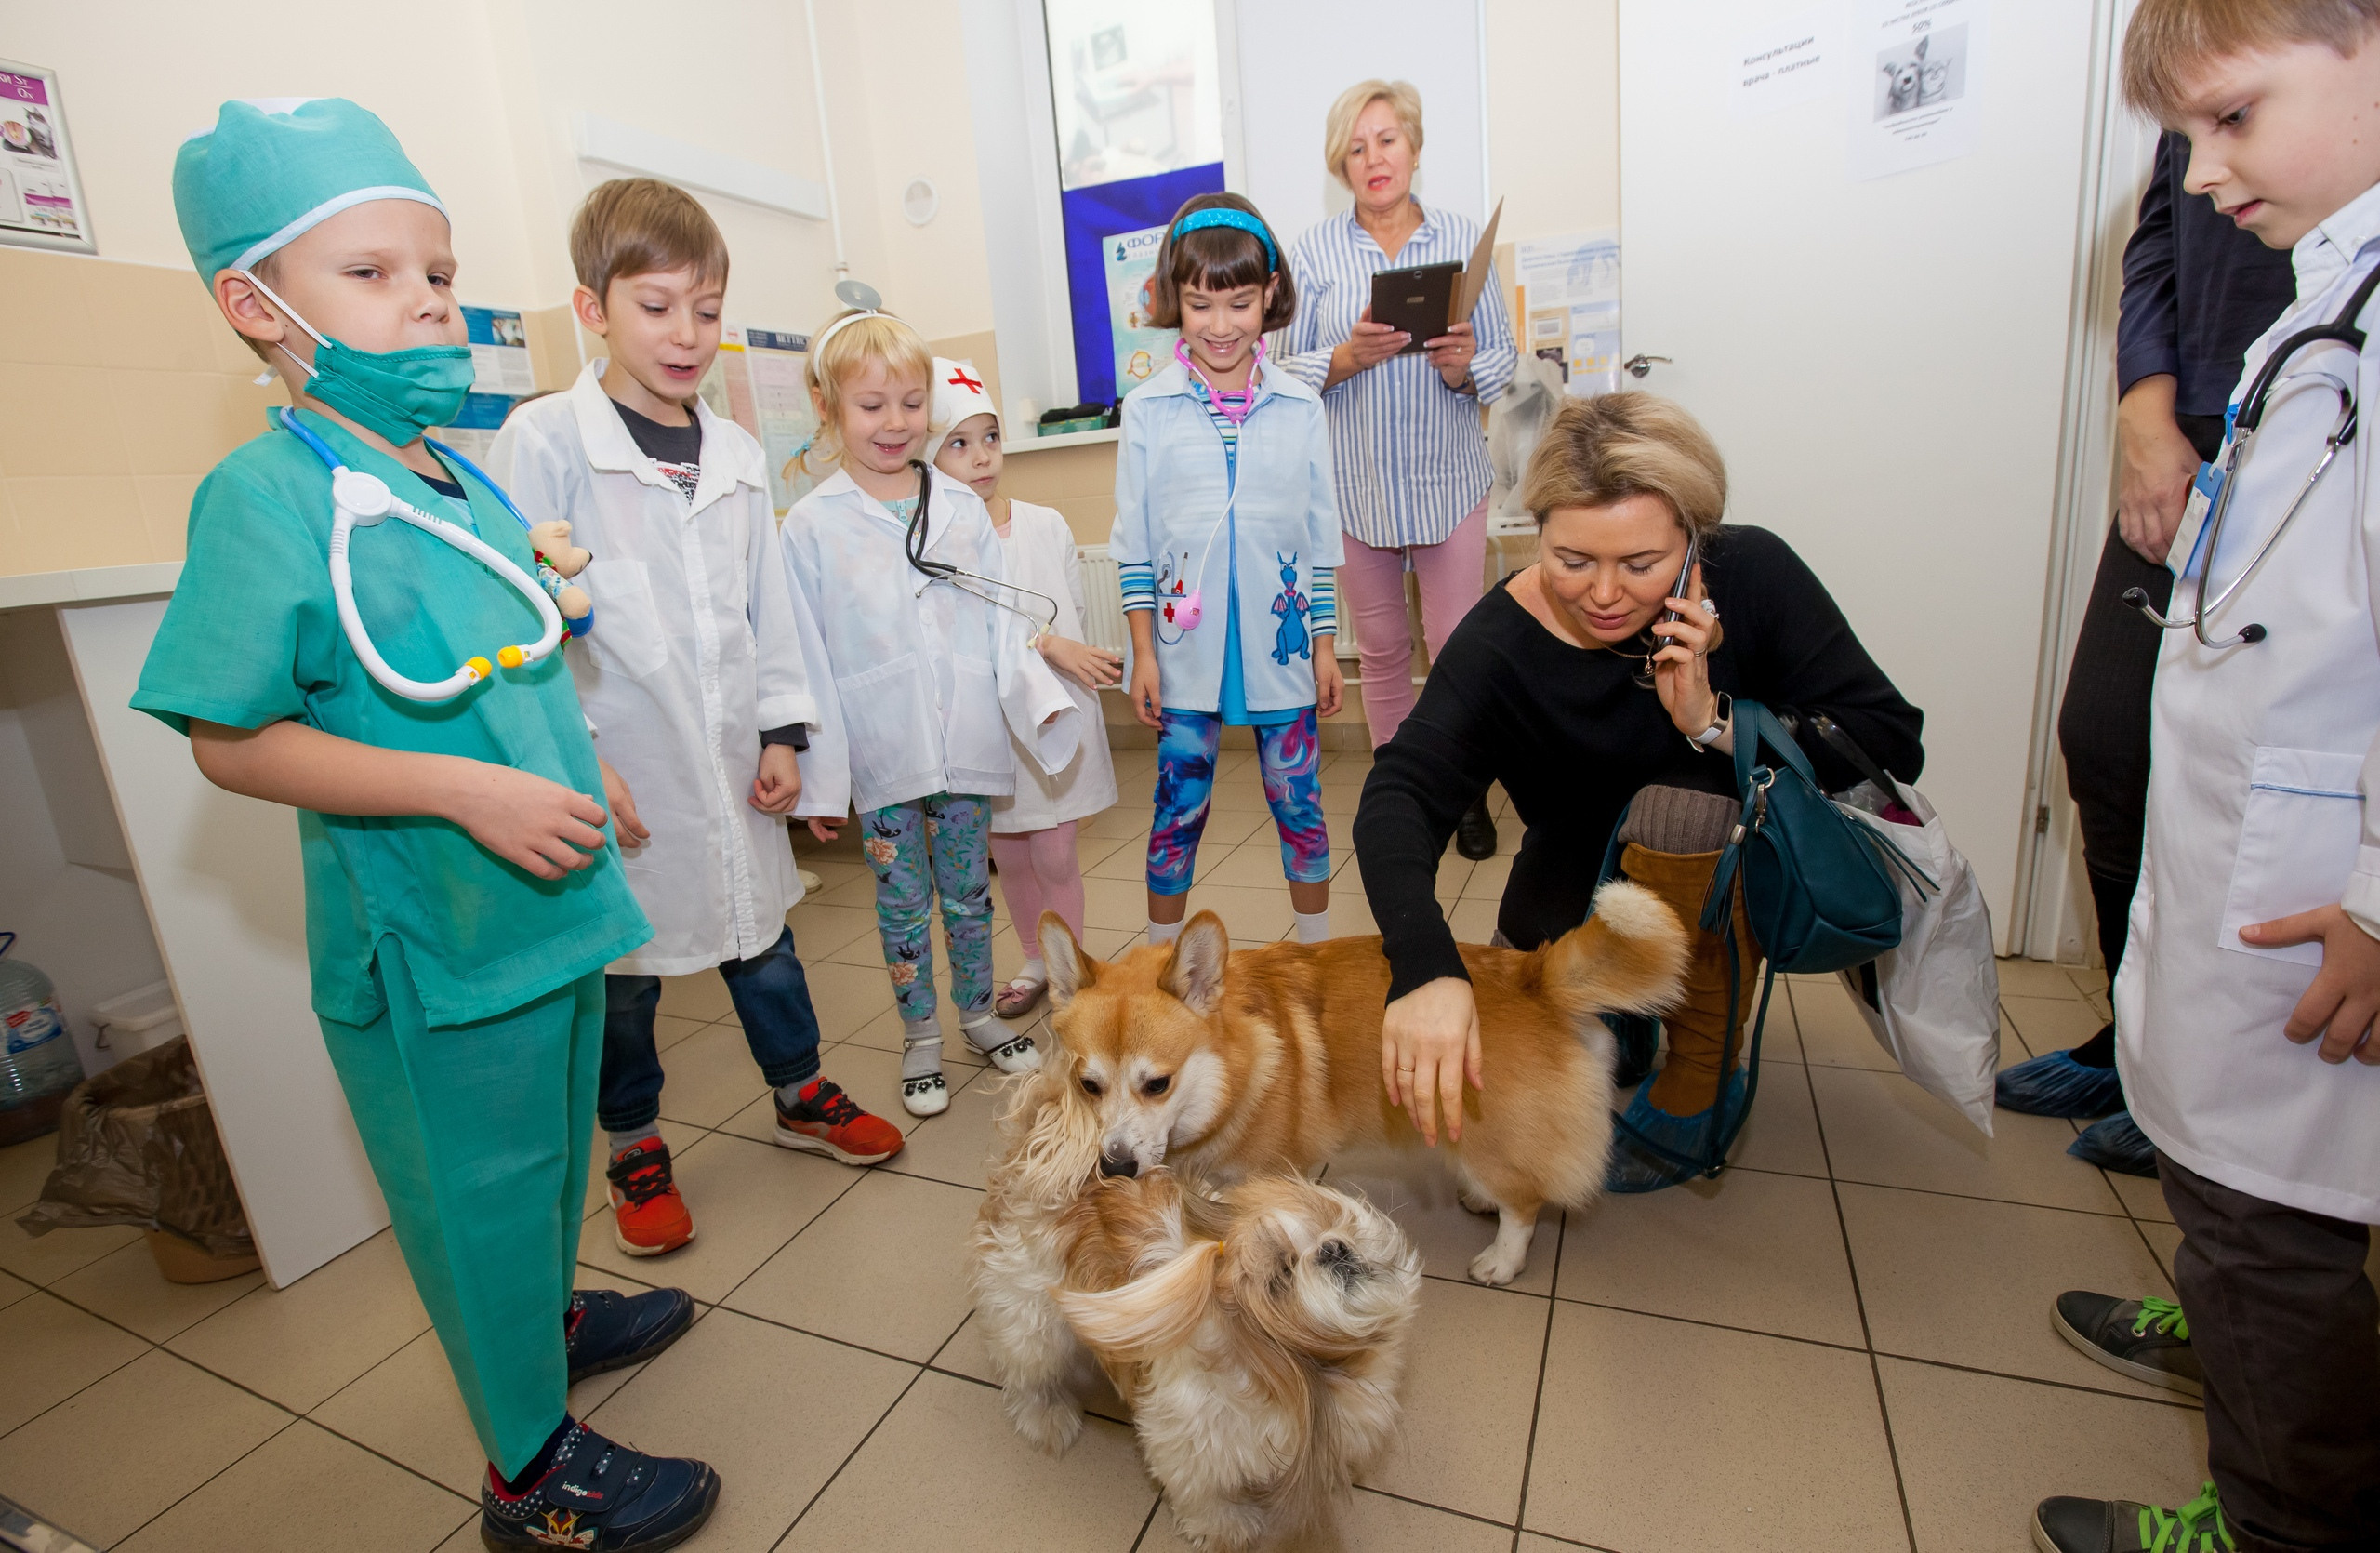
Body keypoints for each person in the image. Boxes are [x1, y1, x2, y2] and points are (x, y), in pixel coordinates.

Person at [140, 100, 716, 1550]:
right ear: (252, 303)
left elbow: (509, 662)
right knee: (475, 1180)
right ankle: (530, 1476)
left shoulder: (444, 474)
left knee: (540, 1154)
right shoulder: (263, 498)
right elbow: (231, 740)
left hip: (547, 899)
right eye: (372, 273)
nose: (427, 303)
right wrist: (469, 790)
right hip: (439, 932)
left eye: (440, 274)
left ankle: (541, 1311)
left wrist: (583, 760)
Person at [2030, 4, 2380, 1549]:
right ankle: (2225, 1341)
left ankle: (2270, 1523)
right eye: (2187, 138)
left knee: (2273, 1233)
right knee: (2235, 1208)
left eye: (2234, 121)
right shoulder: (2321, 300)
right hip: (2256, 840)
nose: (2202, 172)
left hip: (2322, 906)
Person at [1351, 393, 1922, 1189]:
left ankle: (1704, 1066)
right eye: (1573, 561)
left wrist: (1714, 718)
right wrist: (1424, 965)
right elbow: (1401, 794)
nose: (1606, 594)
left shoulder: (1754, 573)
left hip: (1743, 860)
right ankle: (1637, 1005)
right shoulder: (1499, 639)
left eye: (1642, 565)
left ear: (1694, 542)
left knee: (1682, 808)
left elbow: (1892, 739)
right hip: (1586, 853)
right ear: (1537, 534)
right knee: (1532, 943)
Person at [488, 179, 905, 1262]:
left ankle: (799, 1090)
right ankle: (634, 1144)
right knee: (622, 976)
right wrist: (576, 755)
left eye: (707, 309)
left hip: (728, 760)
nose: (687, 334)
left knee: (762, 939)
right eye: (656, 306)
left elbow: (765, 606)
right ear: (594, 310)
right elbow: (521, 619)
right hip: (614, 766)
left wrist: (781, 733)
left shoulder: (731, 452)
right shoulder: (544, 442)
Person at [2001, 129, 2295, 1177]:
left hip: (2311, 416)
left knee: (2262, 774)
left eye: (2232, 123)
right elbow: (2156, 241)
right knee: (2105, 736)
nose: (2210, 155)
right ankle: (2135, 1038)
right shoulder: (2196, 111)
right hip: (2192, 431)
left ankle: (2201, 1070)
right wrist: (2143, 406)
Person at [781, 307, 1079, 1117]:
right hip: (881, 752)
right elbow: (803, 653)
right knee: (901, 903)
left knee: (969, 896)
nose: (895, 422)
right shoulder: (810, 527)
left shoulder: (957, 507)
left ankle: (978, 1015)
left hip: (965, 744)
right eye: (872, 405)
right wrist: (818, 774)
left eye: (912, 403)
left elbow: (1002, 627)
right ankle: (920, 1036)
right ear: (828, 406)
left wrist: (1035, 708)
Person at [1279, 78, 1518, 862]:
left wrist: (1461, 367)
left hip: (1448, 480)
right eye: (1356, 147)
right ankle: (1402, 795)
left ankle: (1468, 789)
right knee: (1382, 651)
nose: (1374, 158)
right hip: (1357, 491)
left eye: (1387, 139)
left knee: (1455, 645)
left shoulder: (1459, 239)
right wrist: (1346, 356)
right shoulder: (1313, 253)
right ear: (1340, 164)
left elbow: (1503, 359)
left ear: (1413, 145)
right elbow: (1280, 369)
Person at [1112, 192, 1346, 949]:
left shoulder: (1300, 406)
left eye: (1239, 303)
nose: (1220, 326)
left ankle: (1314, 953)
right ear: (1174, 301)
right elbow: (1136, 545)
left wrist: (1321, 646)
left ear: (1269, 295)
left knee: (1299, 803)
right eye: (1199, 304)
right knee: (1177, 807)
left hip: (1281, 652)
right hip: (1185, 655)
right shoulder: (1147, 410)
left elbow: (1316, 543)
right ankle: (1155, 961)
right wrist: (1144, 653)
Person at [927, 358, 1122, 1015]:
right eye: (958, 443)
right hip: (989, 726)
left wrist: (1059, 655)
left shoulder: (1046, 525)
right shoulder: (936, 542)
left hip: (1052, 714)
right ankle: (1037, 962)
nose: (981, 457)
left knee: (1056, 850)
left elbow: (1070, 619)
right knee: (1008, 853)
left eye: (989, 438)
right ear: (928, 455)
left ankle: (1073, 975)